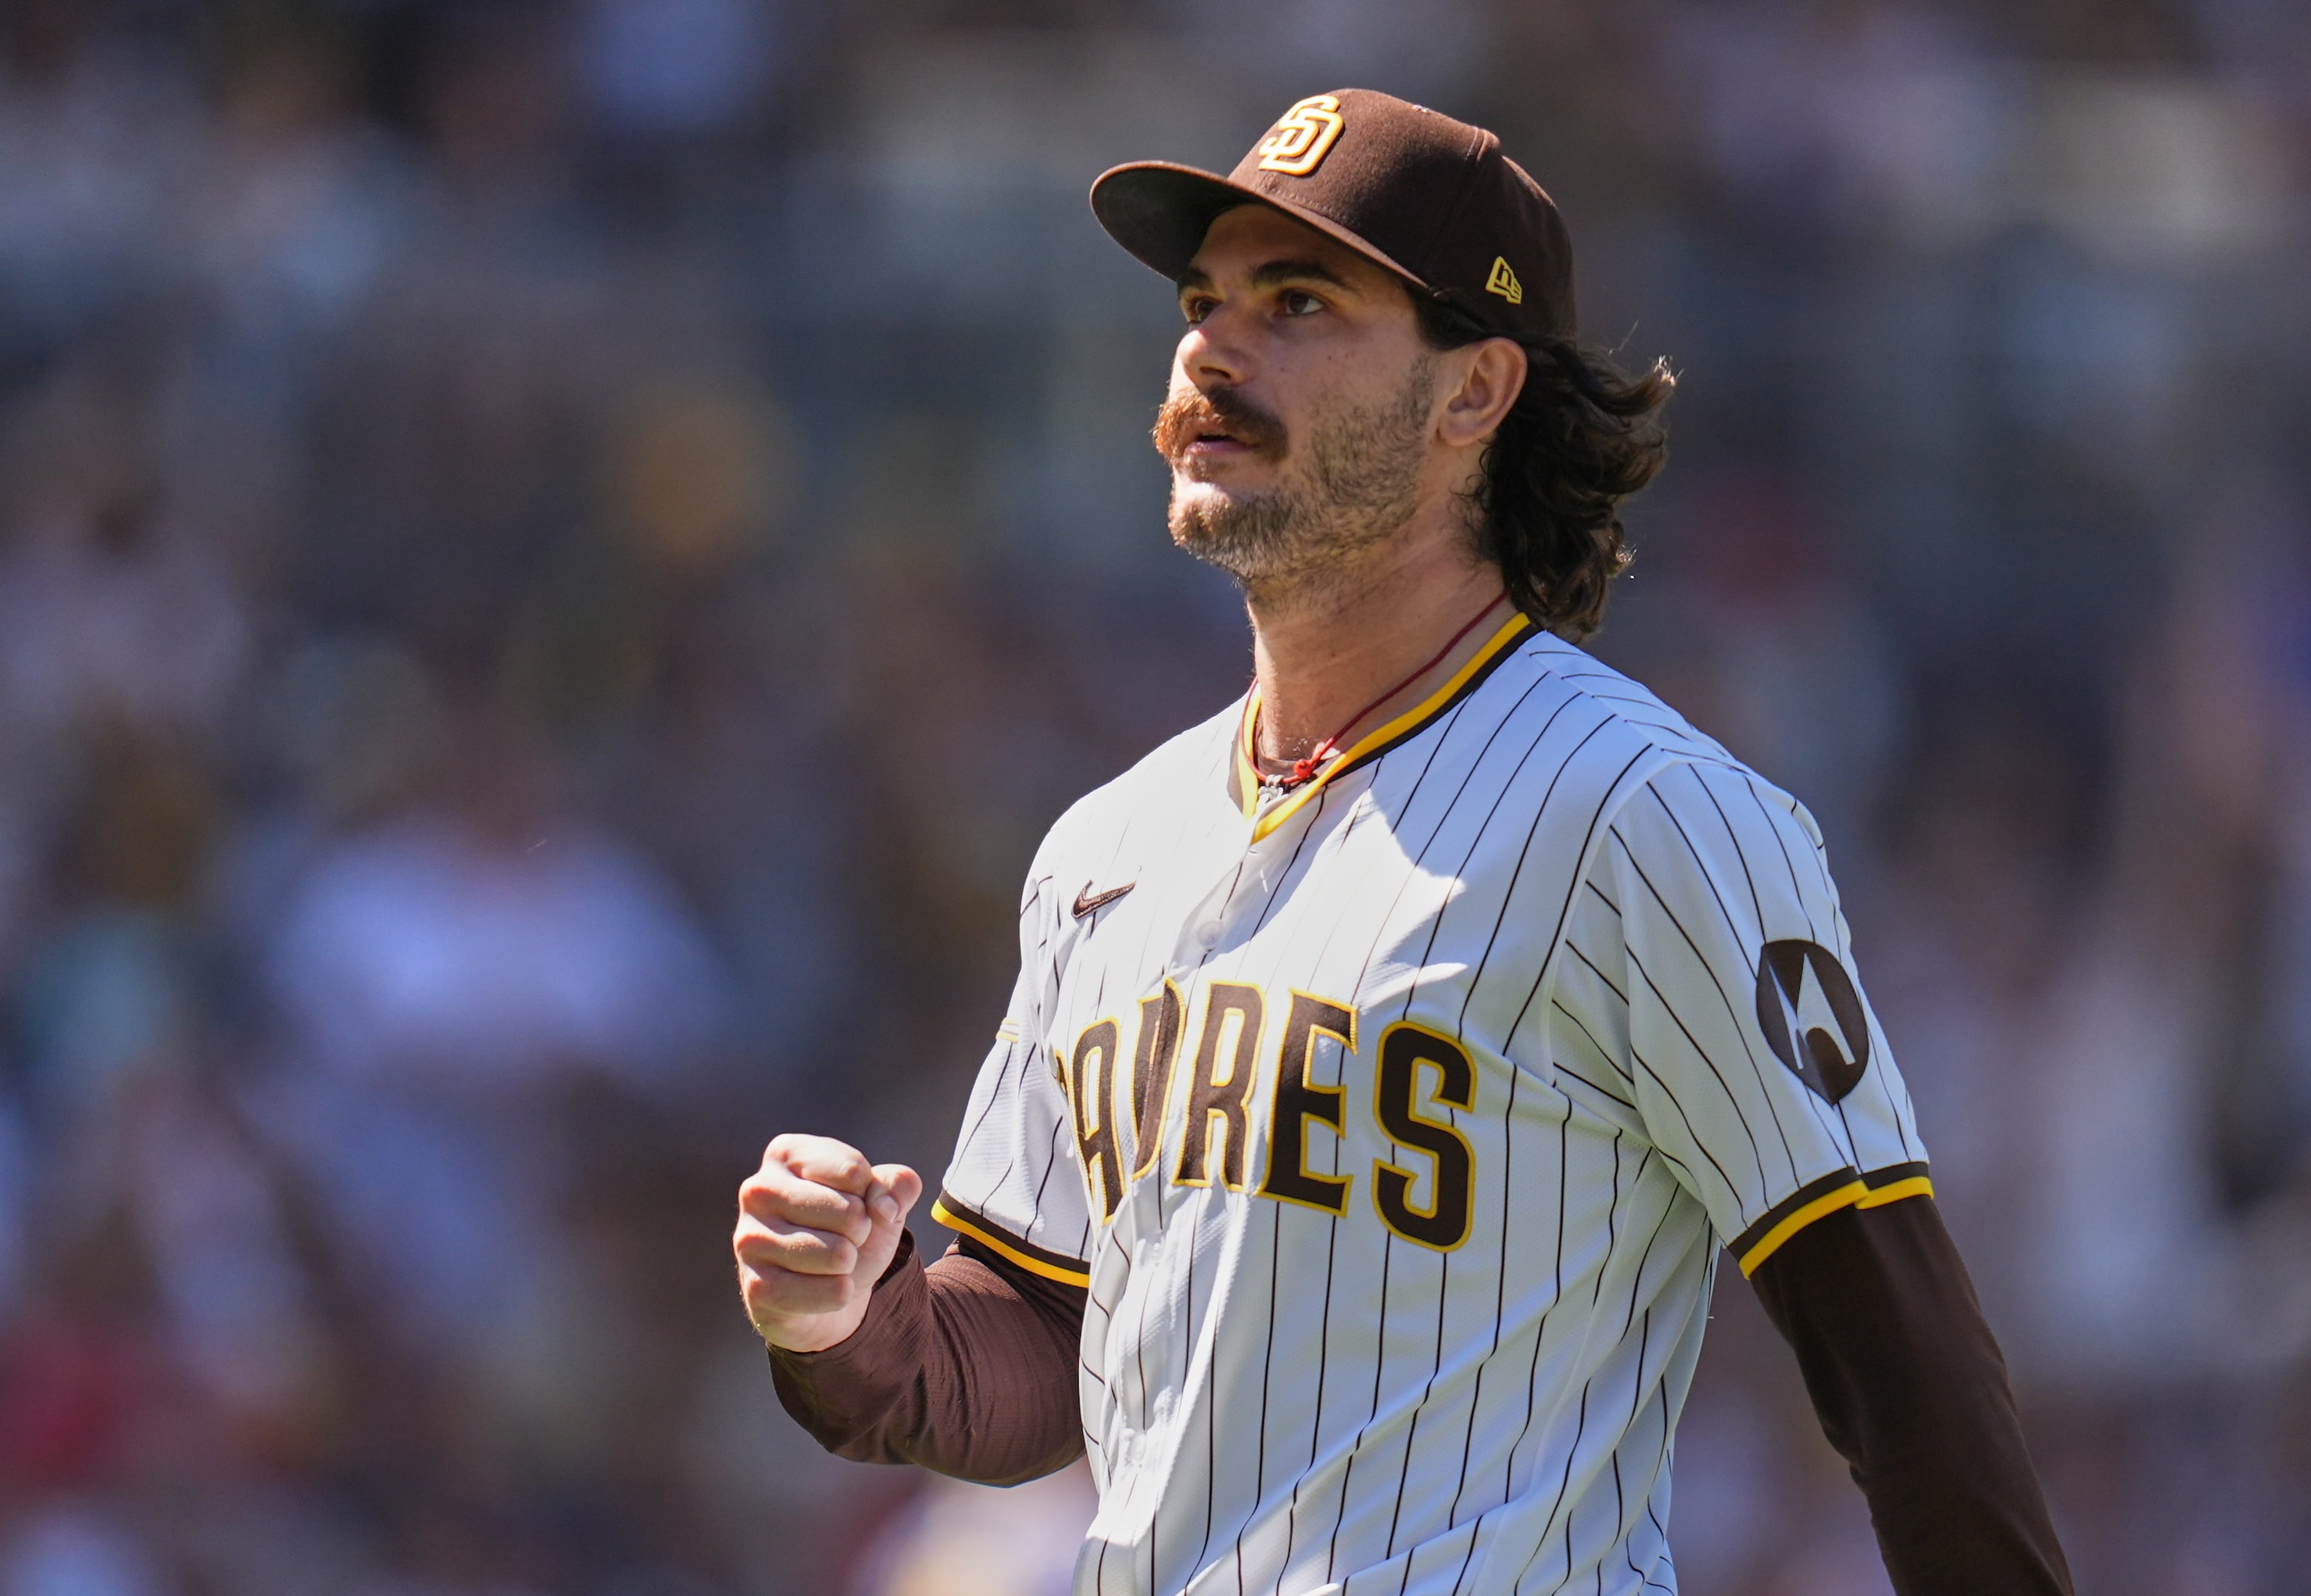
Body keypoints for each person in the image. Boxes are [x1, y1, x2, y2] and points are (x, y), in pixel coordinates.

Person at [732, 89, 2072, 1595]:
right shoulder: (1108, 847)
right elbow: (1042, 1343)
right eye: (1204, 300)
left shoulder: (1641, 813)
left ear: (1474, 391)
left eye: (1298, 301)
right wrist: (852, 1319)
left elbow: (1900, 1354)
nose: (1209, 349)